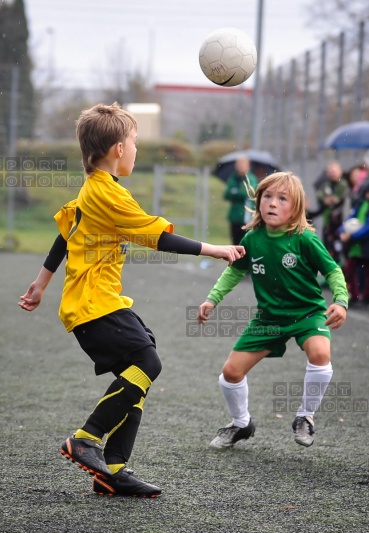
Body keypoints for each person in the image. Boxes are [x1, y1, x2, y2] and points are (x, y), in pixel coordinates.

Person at [18, 102, 245, 498]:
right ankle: (86, 438)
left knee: (142, 361)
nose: (137, 149)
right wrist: (216, 249)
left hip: (98, 303)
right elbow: (156, 236)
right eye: (135, 142)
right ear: (118, 149)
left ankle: (114, 471)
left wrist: (40, 283)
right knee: (147, 362)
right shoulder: (108, 195)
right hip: (94, 305)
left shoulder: (94, 190)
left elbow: (64, 234)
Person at [197, 171, 348, 450]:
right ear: (258, 201)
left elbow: (333, 270)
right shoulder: (253, 239)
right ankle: (241, 423)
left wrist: (340, 300)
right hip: (268, 319)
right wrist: (212, 299)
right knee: (230, 373)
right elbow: (234, 272)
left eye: (282, 198)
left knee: (320, 353)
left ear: (296, 207)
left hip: (307, 314)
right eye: (267, 196)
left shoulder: (305, 239)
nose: (273, 203)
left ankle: (305, 416)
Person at [339, 182, 369, 306]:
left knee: (366, 273)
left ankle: (365, 297)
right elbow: (348, 220)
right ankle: (355, 296)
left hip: (365, 246)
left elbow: (367, 228)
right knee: (349, 270)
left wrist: (352, 235)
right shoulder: (360, 205)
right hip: (356, 247)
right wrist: (341, 231)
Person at [315, 161, 349, 263]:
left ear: (340, 171)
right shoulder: (325, 185)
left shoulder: (343, 184)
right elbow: (320, 196)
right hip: (327, 221)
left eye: (335, 170)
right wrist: (327, 200)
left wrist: (329, 199)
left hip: (340, 222)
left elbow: (338, 199)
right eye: (330, 171)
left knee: (339, 247)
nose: (332, 173)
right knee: (328, 247)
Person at [223, 157, 258, 245]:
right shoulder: (233, 178)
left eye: (242, 165)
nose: (239, 167)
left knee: (245, 244)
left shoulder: (251, 178)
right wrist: (237, 192)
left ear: (248, 166)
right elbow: (226, 194)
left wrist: (235, 192)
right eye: (238, 165)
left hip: (246, 218)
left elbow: (247, 193)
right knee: (235, 243)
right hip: (234, 217)